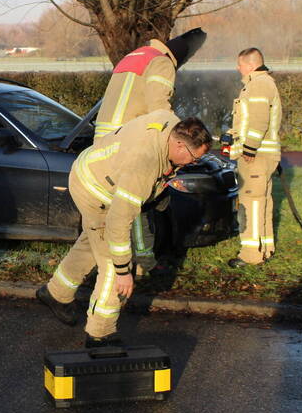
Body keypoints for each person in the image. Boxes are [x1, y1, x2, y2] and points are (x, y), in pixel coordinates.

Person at [37, 111, 212, 346]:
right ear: (179, 144)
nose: (193, 163)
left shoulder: (171, 122)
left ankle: (56, 292)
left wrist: (158, 191)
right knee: (111, 262)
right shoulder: (143, 164)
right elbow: (119, 220)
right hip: (95, 191)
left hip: (92, 168)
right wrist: (123, 271)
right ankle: (100, 334)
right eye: (193, 158)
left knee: (93, 242)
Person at [93, 28, 207, 268]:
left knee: (122, 201)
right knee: (138, 197)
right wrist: (185, 134)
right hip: (129, 139)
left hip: (107, 138)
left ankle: (127, 258)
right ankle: (143, 261)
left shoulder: (135, 55)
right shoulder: (163, 63)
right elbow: (159, 109)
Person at [228, 48, 282, 266]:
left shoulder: (259, 84)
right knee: (263, 200)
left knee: (251, 202)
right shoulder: (260, 82)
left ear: (250, 65)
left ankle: (251, 255)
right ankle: (266, 248)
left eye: (239, 64)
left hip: (257, 155)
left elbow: (259, 120)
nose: (237, 68)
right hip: (264, 153)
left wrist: (249, 148)